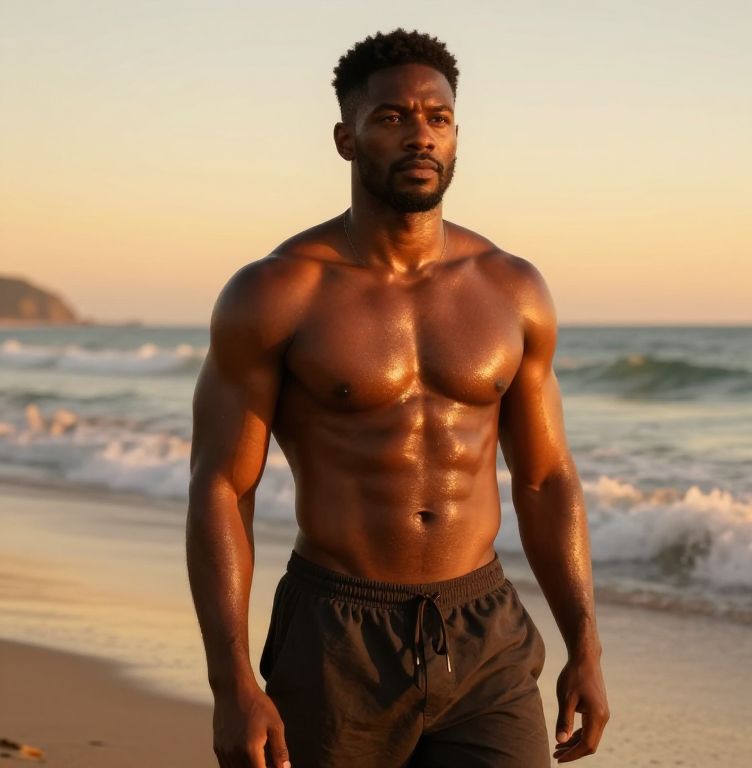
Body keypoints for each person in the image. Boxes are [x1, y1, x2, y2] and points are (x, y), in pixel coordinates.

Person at [186, 28, 609, 768]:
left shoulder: (512, 289)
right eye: (392, 118)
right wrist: (230, 685)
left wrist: (586, 646)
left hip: (484, 633)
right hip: (336, 634)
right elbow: (222, 486)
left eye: (437, 118)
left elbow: (545, 479)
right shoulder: (277, 292)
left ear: (456, 134)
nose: (420, 135)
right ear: (346, 138)